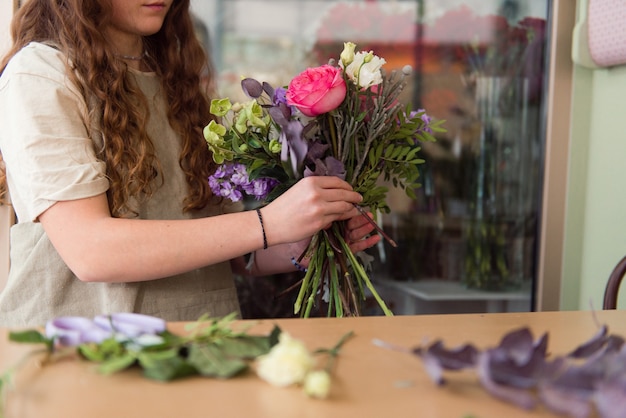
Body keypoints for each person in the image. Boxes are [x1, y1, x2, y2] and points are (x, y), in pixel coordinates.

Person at [0, 0, 380, 327]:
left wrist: (302, 241)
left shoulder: (176, 83)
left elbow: (226, 249)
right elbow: (91, 251)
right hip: (84, 361)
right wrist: (269, 223)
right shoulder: (41, 74)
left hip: (203, 347)